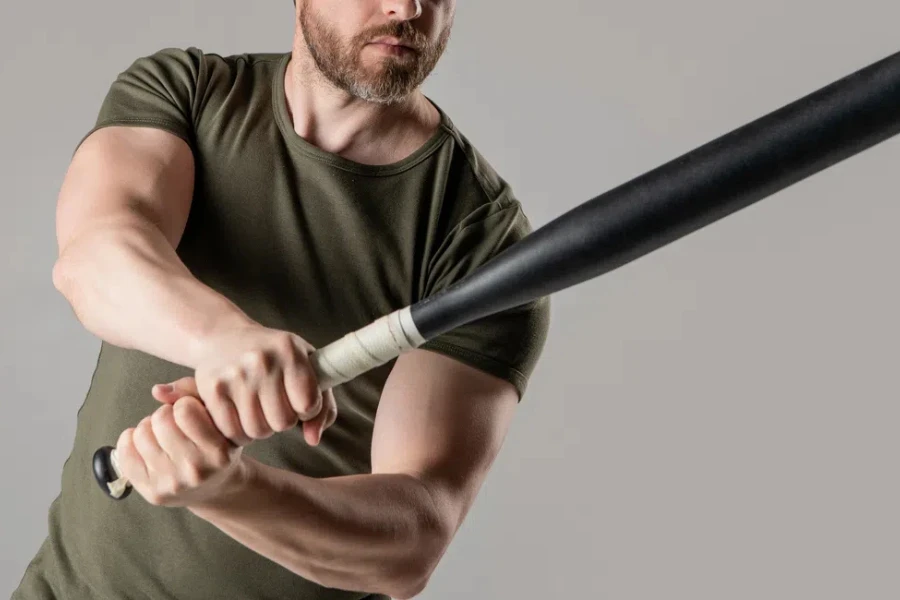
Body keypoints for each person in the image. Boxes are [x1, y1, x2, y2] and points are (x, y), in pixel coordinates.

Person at [12, 1, 549, 598]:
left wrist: (230, 491)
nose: (408, 6)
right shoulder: (187, 93)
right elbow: (94, 258)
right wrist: (221, 340)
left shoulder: (483, 241)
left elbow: (412, 539)